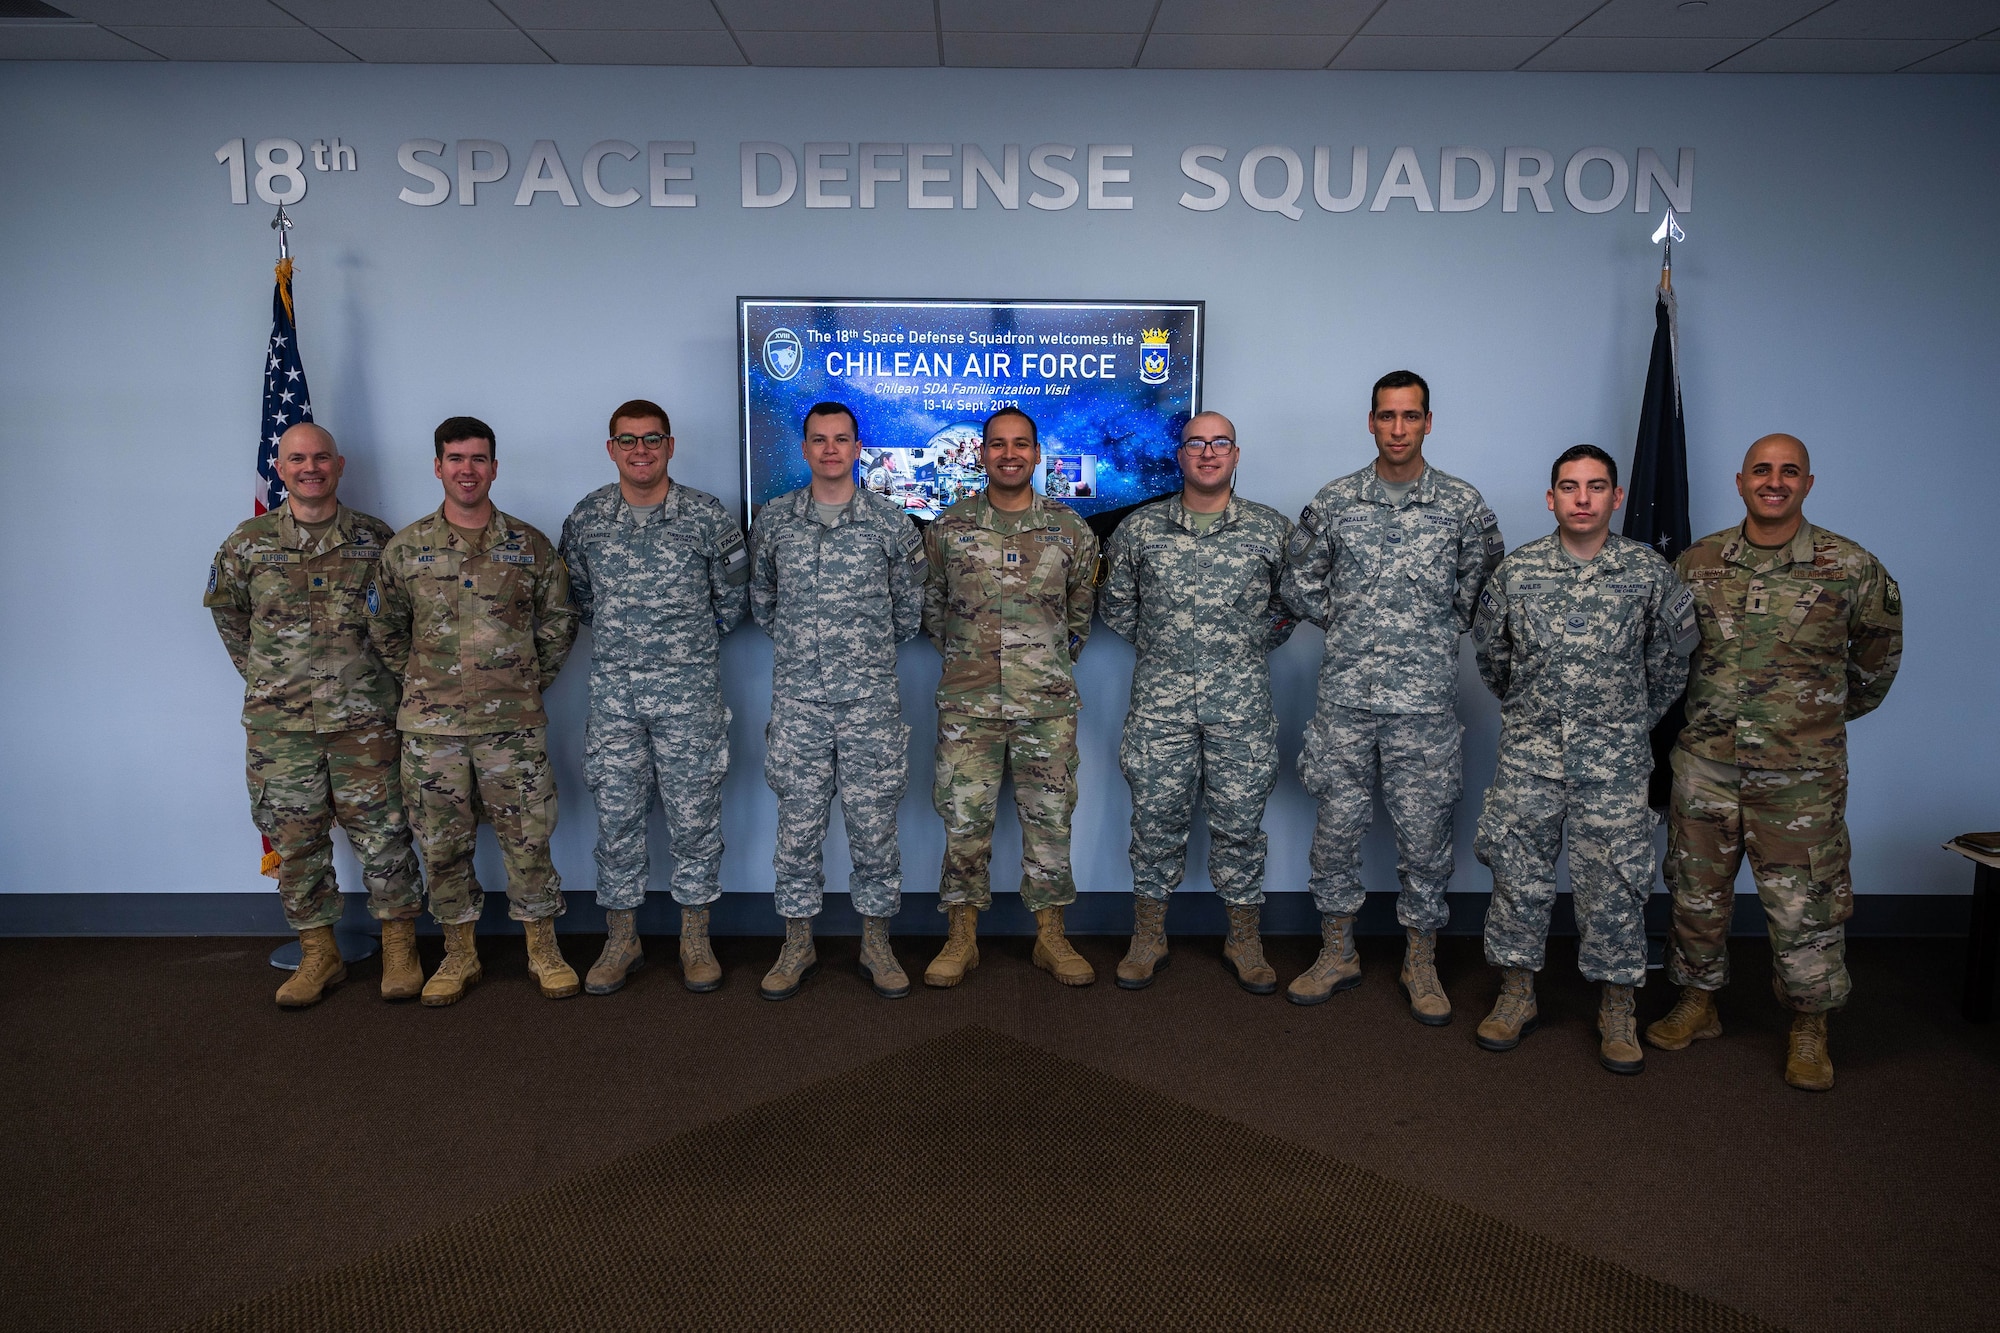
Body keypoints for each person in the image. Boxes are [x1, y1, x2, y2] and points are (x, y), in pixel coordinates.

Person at [1646, 434, 1903, 1091]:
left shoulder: (1850, 566)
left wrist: (1811, 721)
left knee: (1806, 905)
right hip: (1706, 765)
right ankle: (1698, 1002)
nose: (1775, 481)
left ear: (1808, 484)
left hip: (1800, 780)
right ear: (1740, 481)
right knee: (1696, 894)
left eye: (1789, 471)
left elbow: (1875, 663)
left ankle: (1810, 1026)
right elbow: (1666, 657)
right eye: (1762, 470)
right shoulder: (1696, 563)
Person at [1280, 370, 1504, 1023]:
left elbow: (1484, 590)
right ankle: (1336, 950)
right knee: (1335, 830)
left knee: (1426, 834)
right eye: (1387, 416)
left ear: (1429, 422)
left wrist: (1429, 629)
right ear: (1371, 422)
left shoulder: (1462, 505)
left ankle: (1421, 957)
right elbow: (1299, 584)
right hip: (1346, 695)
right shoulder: (1337, 500)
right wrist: (1355, 622)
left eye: (1411, 416)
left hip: (1425, 702)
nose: (1398, 429)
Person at [1469, 445, 1697, 1072]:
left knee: (1616, 886)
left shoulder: (1649, 573)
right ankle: (1517, 994)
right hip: (1529, 755)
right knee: (1519, 878)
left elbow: (1671, 663)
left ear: (1616, 498)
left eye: (1596, 487)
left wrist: (1625, 723)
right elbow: (1494, 660)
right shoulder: (1517, 573)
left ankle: (1617, 1005)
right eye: (1569, 486)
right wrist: (1535, 714)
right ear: (1551, 498)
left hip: (1616, 761)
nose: (1582, 498)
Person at [204, 422, 423, 1007]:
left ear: (340, 464)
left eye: (320, 457)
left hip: (366, 723)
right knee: (297, 841)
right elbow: (230, 618)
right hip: (283, 728)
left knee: (386, 837)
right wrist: (272, 681)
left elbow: (405, 621)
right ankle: (318, 953)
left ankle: (400, 946)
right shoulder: (246, 544)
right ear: (280, 468)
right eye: (297, 458)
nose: (310, 467)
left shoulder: (378, 541)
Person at [370, 417, 579, 1005]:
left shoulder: (529, 546)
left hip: (511, 728)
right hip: (431, 729)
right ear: (438, 466)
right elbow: (385, 628)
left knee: (529, 837)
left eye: (479, 458)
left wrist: (522, 681)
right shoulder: (405, 549)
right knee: (441, 844)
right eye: (456, 458)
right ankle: (459, 954)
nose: (468, 469)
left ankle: (543, 948)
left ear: (494, 466)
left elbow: (560, 622)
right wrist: (423, 686)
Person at [1098, 412, 1295, 992]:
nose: (1208, 453)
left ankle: (1244, 939)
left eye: (1220, 443)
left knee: (1240, 824)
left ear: (1236, 454)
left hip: (1240, 706)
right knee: (1155, 821)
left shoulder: (1270, 531)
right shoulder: (1140, 529)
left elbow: (1289, 608)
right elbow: (1118, 607)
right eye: (1195, 444)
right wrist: (1169, 649)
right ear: (1178, 455)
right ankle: (1149, 935)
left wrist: (1242, 645)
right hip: (1161, 707)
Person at [558, 399, 749, 996]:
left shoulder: (705, 516)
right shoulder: (588, 519)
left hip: (689, 696)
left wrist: (678, 653)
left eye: (652, 439)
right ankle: (622, 940)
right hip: (616, 698)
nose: (641, 450)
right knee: (616, 819)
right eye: (628, 440)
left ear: (671, 446)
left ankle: (695, 939)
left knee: (695, 819)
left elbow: (732, 602)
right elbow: (581, 600)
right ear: (610, 448)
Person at [746, 402, 926, 1000]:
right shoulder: (774, 522)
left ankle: (876, 943)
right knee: (797, 830)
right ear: (805, 449)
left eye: (841, 440)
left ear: (857, 448)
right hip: (799, 703)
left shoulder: (891, 525)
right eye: (819, 440)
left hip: (869, 703)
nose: (830, 449)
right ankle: (797, 943)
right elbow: (763, 604)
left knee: (875, 829)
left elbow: (907, 614)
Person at [922, 407, 1099, 988]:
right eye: (997, 444)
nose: (1008, 454)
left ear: (1038, 453)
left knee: (1050, 822)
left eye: (1020, 444)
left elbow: (1078, 618)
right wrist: (977, 664)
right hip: (968, 708)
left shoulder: (1071, 531)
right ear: (981, 454)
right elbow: (934, 612)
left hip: (1045, 708)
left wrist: (1036, 668)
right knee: (962, 822)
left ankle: (1051, 936)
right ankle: (961, 938)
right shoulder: (947, 529)